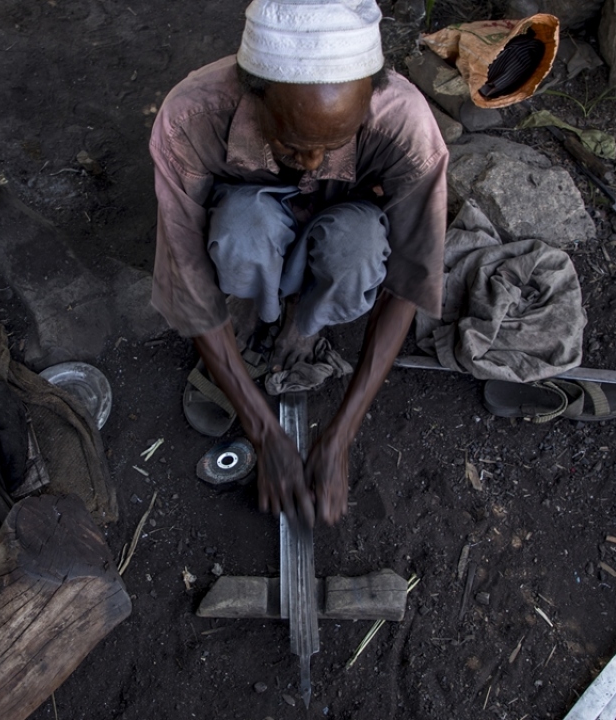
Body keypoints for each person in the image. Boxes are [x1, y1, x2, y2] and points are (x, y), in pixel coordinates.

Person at [149, 0, 447, 526]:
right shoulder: (191, 118)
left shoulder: (407, 129)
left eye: (335, 143)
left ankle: (304, 327)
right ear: (255, 94)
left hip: (344, 224)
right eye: (290, 143)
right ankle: (251, 319)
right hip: (254, 219)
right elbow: (187, 275)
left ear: (370, 98)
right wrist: (263, 431)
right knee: (243, 227)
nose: (311, 161)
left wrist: (341, 435)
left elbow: (408, 280)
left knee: (356, 246)